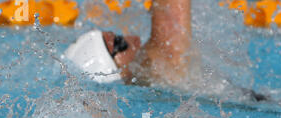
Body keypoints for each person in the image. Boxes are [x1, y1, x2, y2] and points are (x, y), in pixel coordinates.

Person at [64, 0, 192, 86]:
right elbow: (171, 14)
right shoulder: (162, 67)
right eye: (120, 43)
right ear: (114, 69)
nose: (135, 38)